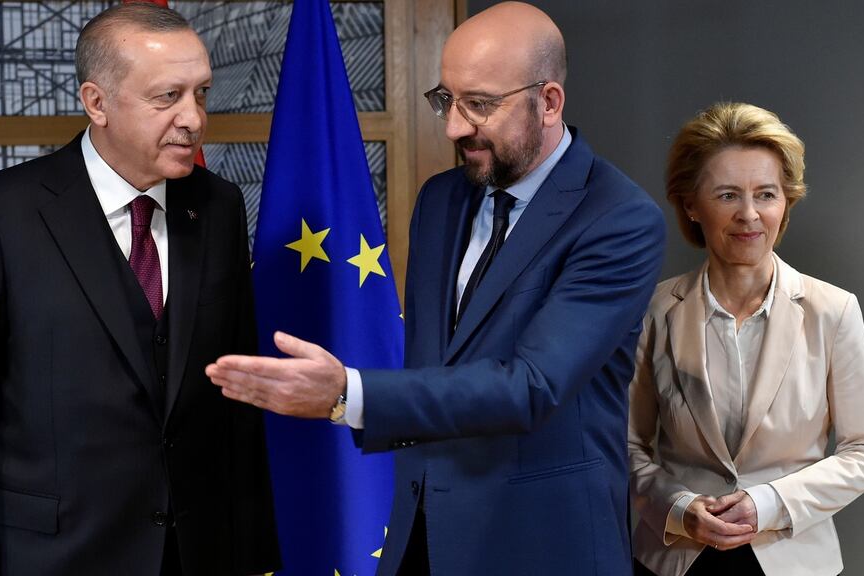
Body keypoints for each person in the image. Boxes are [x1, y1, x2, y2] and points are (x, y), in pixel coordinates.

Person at [206, 2, 665, 574]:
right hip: (419, 536)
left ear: (548, 102)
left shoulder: (619, 219)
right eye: (446, 100)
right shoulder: (441, 199)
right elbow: (433, 363)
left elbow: (531, 386)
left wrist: (348, 394)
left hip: (541, 544)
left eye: (479, 105)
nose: (452, 127)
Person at [0, 4, 280, 575]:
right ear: (97, 103)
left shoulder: (219, 207)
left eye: (202, 94)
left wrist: (250, 554)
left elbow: (235, 402)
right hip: (53, 557)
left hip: (196, 555)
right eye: (167, 97)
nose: (193, 118)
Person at [628, 102, 864, 576]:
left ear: (786, 200)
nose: (749, 215)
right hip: (675, 560)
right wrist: (678, 506)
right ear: (691, 204)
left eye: (766, 194)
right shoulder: (654, 310)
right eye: (727, 195)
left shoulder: (833, 311)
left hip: (792, 559)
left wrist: (768, 503)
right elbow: (623, 446)